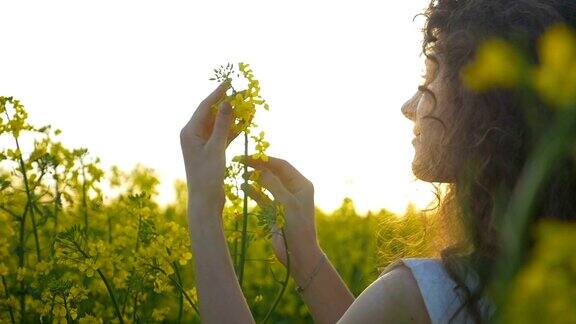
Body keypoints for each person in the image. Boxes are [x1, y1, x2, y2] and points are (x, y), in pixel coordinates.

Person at [179, 0, 576, 322]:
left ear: (487, 102)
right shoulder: (550, 282)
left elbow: (399, 311)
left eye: (430, 78)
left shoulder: (413, 296)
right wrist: (306, 259)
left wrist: (202, 206)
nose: (409, 107)